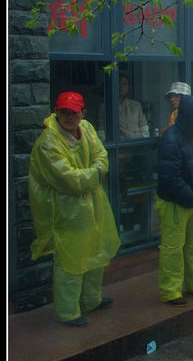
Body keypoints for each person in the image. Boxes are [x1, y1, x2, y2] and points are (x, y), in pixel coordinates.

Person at [28, 91, 121, 326]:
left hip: (93, 203)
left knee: (95, 251)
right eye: (63, 113)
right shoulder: (48, 142)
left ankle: (91, 299)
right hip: (66, 209)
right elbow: (68, 180)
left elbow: (102, 154)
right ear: (56, 112)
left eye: (73, 112)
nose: (68, 117)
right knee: (70, 259)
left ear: (83, 113)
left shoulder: (87, 128)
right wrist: (97, 173)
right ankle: (68, 311)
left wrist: (94, 172)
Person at [155, 94, 193, 305]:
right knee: (173, 248)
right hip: (175, 203)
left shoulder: (187, 135)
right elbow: (170, 178)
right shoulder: (171, 139)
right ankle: (171, 290)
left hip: (190, 201)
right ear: (190, 117)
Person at [163, 81, 193, 170]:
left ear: (185, 98)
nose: (172, 99)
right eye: (171, 96)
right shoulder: (177, 115)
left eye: (176, 96)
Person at [117, 73, 150, 139]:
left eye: (125, 84)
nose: (121, 86)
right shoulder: (105, 107)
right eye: (118, 83)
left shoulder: (136, 105)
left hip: (136, 144)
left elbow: (144, 130)